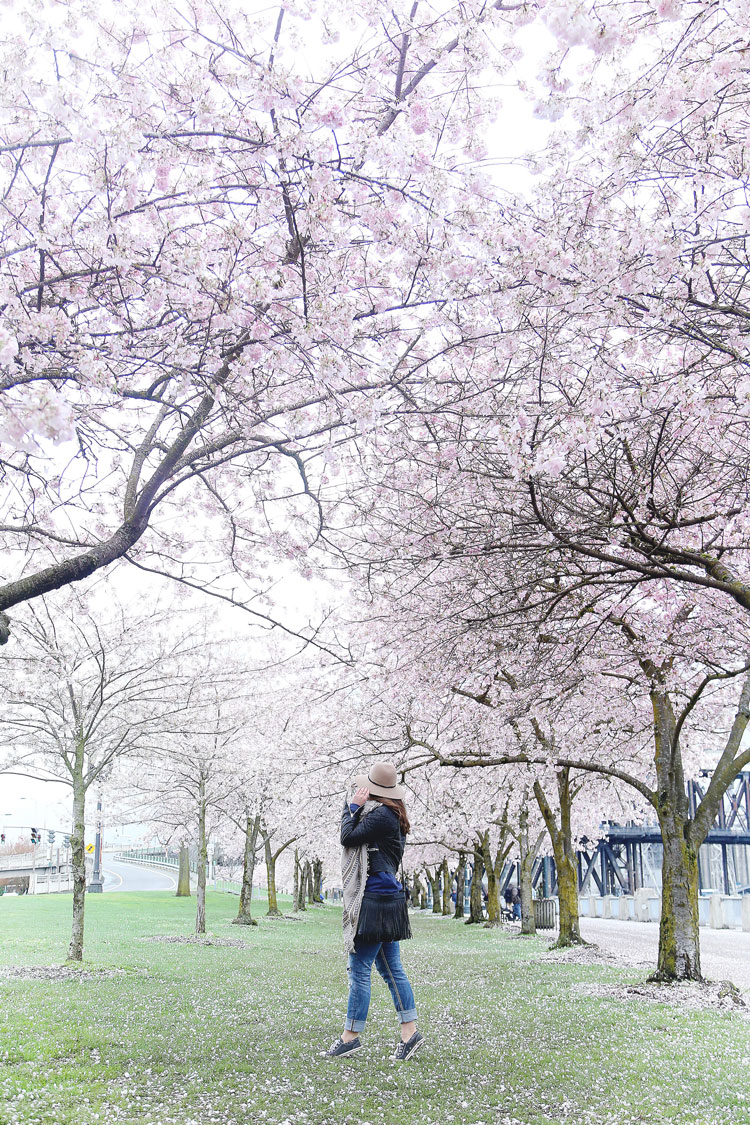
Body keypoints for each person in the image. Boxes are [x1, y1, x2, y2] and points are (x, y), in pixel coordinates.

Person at [324, 761, 425, 1062]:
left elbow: (347, 836)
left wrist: (351, 808)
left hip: (374, 901)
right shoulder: (394, 814)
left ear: (375, 791)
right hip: (388, 899)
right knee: (391, 968)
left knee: (359, 970)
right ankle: (410, 1032)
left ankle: (350, 1037)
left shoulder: (381, 815)